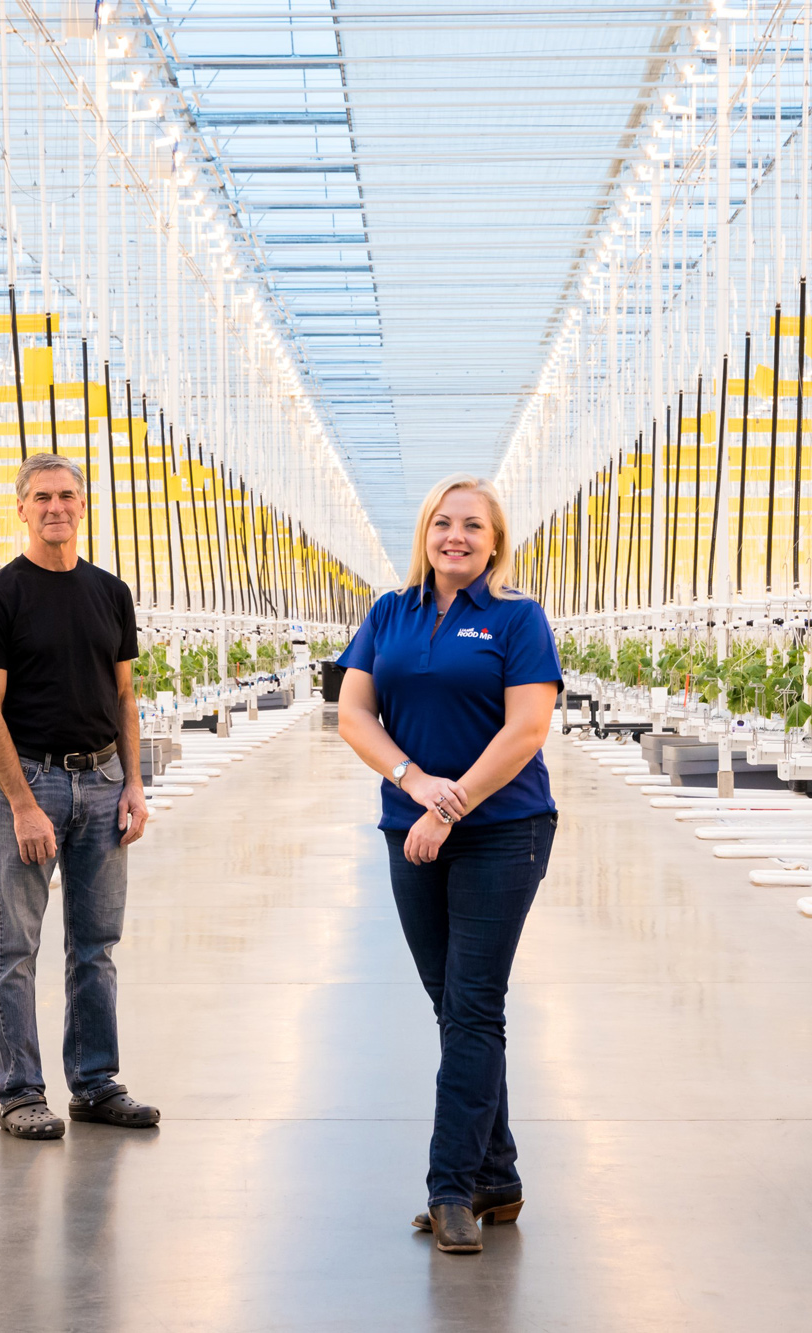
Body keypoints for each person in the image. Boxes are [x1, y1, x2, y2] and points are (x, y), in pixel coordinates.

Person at [334, 475, 562, 1255]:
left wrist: (449, 803)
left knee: (472, 1006)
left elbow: (526, 729)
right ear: (425, 533)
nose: (456, 535)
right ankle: (498, 1175)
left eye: (473, 525)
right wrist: (411, 783)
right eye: (443, 522)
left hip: (504, 830)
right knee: (454, 1008)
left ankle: (451, 1187)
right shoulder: (388, 614)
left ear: (496, 541)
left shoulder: (517, 618)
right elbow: (353, 712)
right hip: (409, 830)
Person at [0, 452, 155, 1140]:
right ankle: (20, 1091)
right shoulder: (0, 596)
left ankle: (96, 1083)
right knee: (14, 946)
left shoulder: (111, 592)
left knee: (96, 942)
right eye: (42, 496)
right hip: (33, 781)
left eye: (67, 495)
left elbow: (125, 696)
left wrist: (134, 782)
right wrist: (20, 803)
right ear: (20, 507)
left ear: (83, 504)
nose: (56, 507)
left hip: (104, 783)